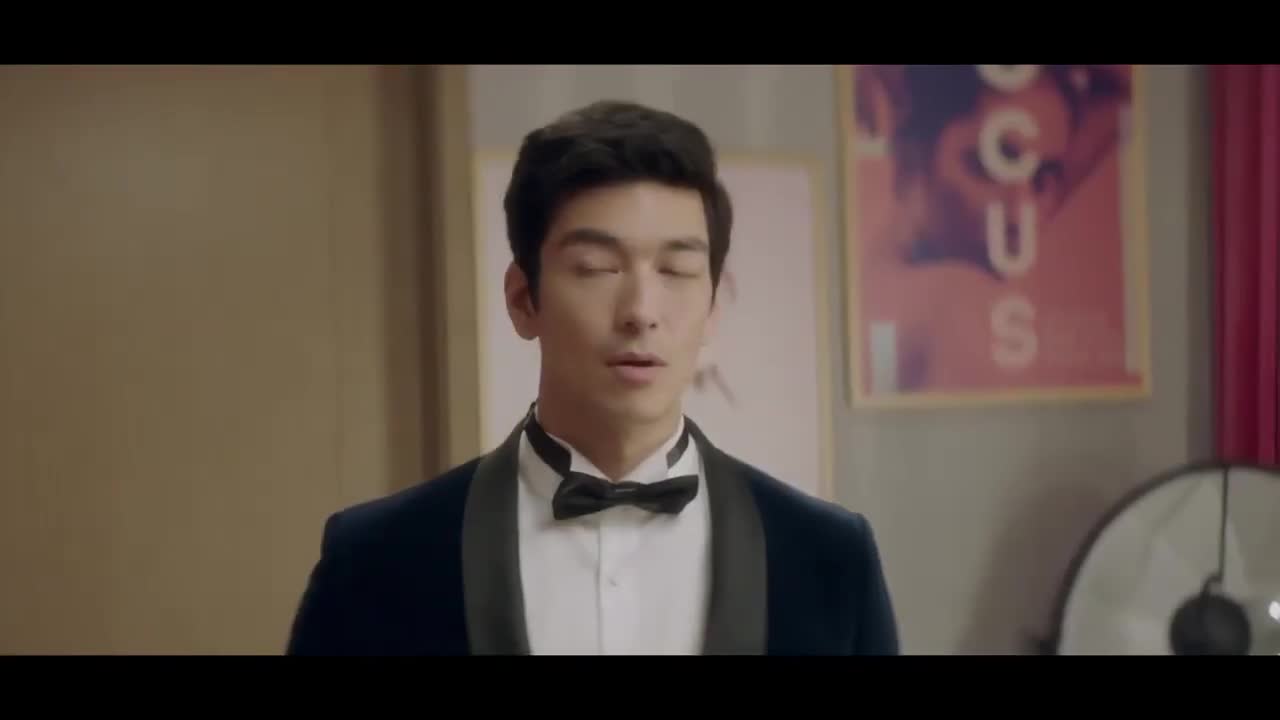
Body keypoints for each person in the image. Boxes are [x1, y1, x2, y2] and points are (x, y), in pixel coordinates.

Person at [285, 99, 900, 656]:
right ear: (523, 299)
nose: (641, 311)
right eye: (598, 267)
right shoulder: (377, 558)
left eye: (676, 270)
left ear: (713, 306)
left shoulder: (828, 556)